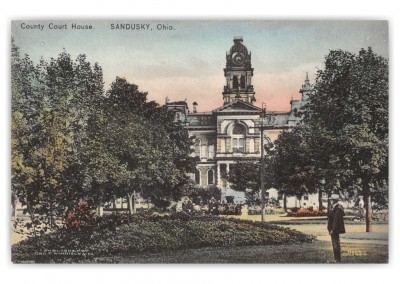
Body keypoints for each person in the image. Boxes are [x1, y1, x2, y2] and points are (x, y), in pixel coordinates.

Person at [327, 194, 346, 262]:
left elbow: (336, 221)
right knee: (334, 243)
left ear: (335, 200)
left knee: (336, 244)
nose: (330, 201)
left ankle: (338, 259)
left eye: (331, 200)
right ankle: (336, 258)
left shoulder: (338, 208)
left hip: (335, 229)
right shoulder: (334, 207)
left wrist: (333, 230)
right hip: (333, 229)